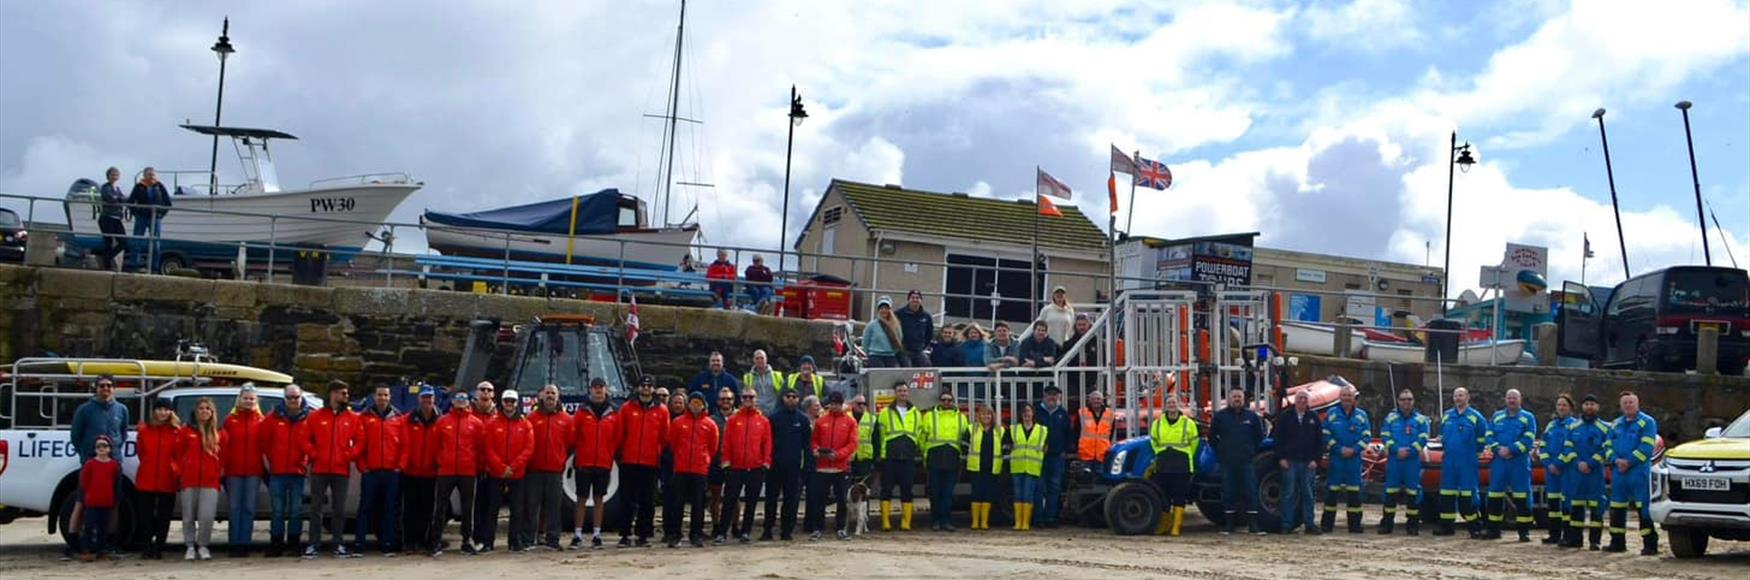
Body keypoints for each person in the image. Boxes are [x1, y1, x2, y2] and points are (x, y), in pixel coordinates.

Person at [66, 375, 128, 558]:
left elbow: (122, 433)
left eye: (109, 385)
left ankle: (108, 542)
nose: (106, 389)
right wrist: (87, 456)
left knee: (114, 502)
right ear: (96, 388)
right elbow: (75, 436)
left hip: (114, 463)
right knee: (81, 502)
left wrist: (113, 452)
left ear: (114, 388)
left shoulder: (122, 409)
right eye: (102, 386)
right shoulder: (84, 410)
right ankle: (74, 541)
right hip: (90, 463)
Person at [305, 381, 362, 559]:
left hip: (340, 469)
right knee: (315, 509)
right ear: (332, 394)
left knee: (339, 509)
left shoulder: (353, 418)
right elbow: (304, 439)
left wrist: (348, 455)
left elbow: (361, 441)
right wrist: (315, 454)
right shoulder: (315, 416)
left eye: (346, 393)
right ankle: (313, 543)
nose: (346, 396)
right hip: (319, 468)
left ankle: (338, 543)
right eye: (342, 393)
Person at [429, 392, 485, 557]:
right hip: (446, 471)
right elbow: (435, 445)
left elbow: (481, 449)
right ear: (453, 402)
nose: (460, 403)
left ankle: (467, 541)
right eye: (457, 400)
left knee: (468, 508)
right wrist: (441, 462)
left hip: (468, 472)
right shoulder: (442, 421)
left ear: (468, 402)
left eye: (463, 400)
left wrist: (477, 467)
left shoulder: (476, 423)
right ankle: (435, 542)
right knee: (440, 507)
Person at [479, 390, 534, 552]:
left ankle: (514, 542)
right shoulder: (492, 423)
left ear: (517, 403)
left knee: (517, 509)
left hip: (517, 474)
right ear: (501, 402)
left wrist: (514, 467)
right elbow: (488, 448)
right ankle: (488, 542)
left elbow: (529, 449)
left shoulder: (525, 424)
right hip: (497, 473)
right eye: (506, 401)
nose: (509, 404)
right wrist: (502, 468)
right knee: (492, 509)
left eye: (512, 401)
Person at [1605, 391, 1659, 555]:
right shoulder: (1615, 424)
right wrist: (1615, 460)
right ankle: (1617, 542)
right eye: (1625, 403)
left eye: (1631, 402)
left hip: (1638, 472)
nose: (1628, 405)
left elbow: (1647, 447)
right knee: (1616, 506)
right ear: (1621, 405)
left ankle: (1650, 544)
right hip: (1619, 473)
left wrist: (1629, 462)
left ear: (1637, 404)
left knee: (1643, 507)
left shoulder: (1647, 422)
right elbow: (1607, 446)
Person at [616, 376, 667, 548]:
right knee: (627, 500)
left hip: (650, 462)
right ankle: (624, 534)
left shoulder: (662, 410)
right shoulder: (626, 408)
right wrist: (622, 453)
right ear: (638, 388)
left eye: (649, 386)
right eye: (643, 385)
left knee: (648, 501)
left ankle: (643, 535)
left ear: (653, 389)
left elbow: (664, 436)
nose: (646, 388)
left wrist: (657, 452)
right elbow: (620, 433)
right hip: (629, 460)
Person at [664, 391, 719, 548]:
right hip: (681, 468)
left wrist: (704, 459)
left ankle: (696, 534)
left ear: (703, 405)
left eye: (698, 403)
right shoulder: (678, 422)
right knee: (677, 503)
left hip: (700, 469)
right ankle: (675, 534)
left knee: (698, 504)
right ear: (689, 404)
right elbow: (672, 443)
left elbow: (712, 447)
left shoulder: (710, 424)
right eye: (693, 402)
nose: (695, 405)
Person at [354, 384, 404, 557]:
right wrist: (363, 467)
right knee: (365, 508)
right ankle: (359, 544)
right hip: (371, 471)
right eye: (379, 395)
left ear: (390, 397)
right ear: (374, 397)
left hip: (392, 472)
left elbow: (405, 446)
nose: (382, 398)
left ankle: (388, 544)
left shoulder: (398, 418)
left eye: (385, 395)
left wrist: (400, 466)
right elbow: (358, 444)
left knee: (391, 509)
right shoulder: (363, 417)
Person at [262, 385, 311, 558]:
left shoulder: (309, 418)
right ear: (284, 398)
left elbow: (313, 443)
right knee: (277, 510)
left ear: (301, 397)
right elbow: (264, 442)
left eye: (296, 397)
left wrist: (306, 460)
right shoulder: (272, 418)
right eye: (289, 397)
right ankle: (276, 544)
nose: (293, 400)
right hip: (278, 471)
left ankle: (294, 543)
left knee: (296, 510)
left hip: (298, 471)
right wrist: (271, 461)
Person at [573, 378, 622, 550]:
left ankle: (597, 534)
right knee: (581, 498)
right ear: (590, 390)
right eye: (595, 388)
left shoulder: (614, 413)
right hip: (584, 462)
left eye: (601, 388)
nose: (598, 391)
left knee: (599, 498)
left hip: (603, 462)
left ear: (605, 390)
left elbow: (617, 437)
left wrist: (608, 454)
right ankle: (577, 534)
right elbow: (574, 435)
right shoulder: (581, 412)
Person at [717, 387, 771, 544]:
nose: (748, 399)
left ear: (756, 399)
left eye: (751, 397)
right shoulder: (733, 419)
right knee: (729, 501)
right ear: (741, 399)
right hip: (735, 467)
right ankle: (722, 532)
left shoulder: (763, 421)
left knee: (752, 502)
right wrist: (726, 463)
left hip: (755, 467)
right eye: (745, 396)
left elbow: (767, 443)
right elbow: (726, 443)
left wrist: (766, 463)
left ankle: (746, 531)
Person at [220, 384, 268, 557]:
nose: (248, 401)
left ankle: (245, 543)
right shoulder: (229, 420)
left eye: (252, 399)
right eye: (246, 398)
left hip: (254, 471)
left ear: (256, 401)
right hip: (233, 471)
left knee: (248, 508)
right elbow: (223, 446)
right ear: (239, 399)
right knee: (234, 508)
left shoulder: (262, 421)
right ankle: (234, 543)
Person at [1209, 388, 1265, 535]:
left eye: (1239, 396)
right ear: (1229, 399)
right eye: (1234, 396)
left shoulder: (1252, 417)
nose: (1237, 399)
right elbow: (1212, 437)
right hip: (1227, 462)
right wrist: (1221, 451)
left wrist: (1251, 451)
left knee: (1250, 491)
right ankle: (1229, 526)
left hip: (1247, 461)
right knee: (1229, 492)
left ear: (1243, 398)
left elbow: (1259, 436)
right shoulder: (1220, 417)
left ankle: (1253, 526)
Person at [1485, 389, 1537, 542]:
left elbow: (1528, 439)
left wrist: (1511, 450)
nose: (1512, 400)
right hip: (1499, 462)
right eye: (1509, 398)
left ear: (1520, 399)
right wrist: (1497, 449)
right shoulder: (1497, 416)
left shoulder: (1528, 418)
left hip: (1518, 462)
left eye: (1514, 398)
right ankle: (1493, 530)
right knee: (1495, 495)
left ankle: (1524, 532)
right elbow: (1489, 435)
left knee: (1522, 496)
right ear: (1505, 400)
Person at [1436, 387, 1488, 538]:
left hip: (1467, 461)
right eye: (1455, 396)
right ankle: (1446, 527)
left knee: (1467, 496)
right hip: (1449, 460)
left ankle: (1475, 527)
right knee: (1446, 494)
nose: (1458, 398)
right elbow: (1443, 434)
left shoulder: (1476, 417)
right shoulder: (1447, 415)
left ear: (1467, 397)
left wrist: (1475, 454)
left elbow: (1482, 438)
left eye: (1461, 395)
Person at [525, 385, 572, 551]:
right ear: (542, 396)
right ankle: (530, 539)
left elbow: (569, 443)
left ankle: (553, 539)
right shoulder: (531, 418)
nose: (550, 396)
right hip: (535, 469)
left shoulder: (566, 419)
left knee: (554, 507)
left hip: (554, 470)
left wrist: (560, 459)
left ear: (558, 397)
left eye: (553, 393)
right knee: (532, 506)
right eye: (547, 393)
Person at [1560, 394, 1609, 550]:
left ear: (1598, 407)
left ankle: (1595, 541)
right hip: (1577, 473)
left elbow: (1607, 448)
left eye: (1592, 404)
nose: (1589, 407)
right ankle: (1575, 539)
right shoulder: (1573, 427)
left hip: (1595, 473)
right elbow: (1568, 447)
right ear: (1582, 407)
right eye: (1586, 404)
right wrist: (1577, 462)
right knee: (1576, 506)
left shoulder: (1605, 428)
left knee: (1596, 507)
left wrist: (1591, 462)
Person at [135, 397, 181, 560]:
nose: (163, 412)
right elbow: (141, 453)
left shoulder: (176, 432)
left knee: (164, 516)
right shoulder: (144, 431)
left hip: (167, 479)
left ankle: (159, 547)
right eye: (160, 409)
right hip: (146, 478)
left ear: (171, 412)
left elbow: (179, 455)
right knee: (145, 516)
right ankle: (146, 546)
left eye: (166, 409)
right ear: (154, 411)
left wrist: (174, 469)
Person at [1320, 385, 1371, 534]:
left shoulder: (1362, 415)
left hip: (1354, 460)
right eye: (1344, 395)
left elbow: (1366, 436)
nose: (1346, 398)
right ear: (1340, 398)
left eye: (1349, 396)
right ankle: (1327, 525)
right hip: (1337, 458)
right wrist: (1338, 449)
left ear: (1354, 398)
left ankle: (1354, 526)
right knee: (1331, 493)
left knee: (1355, 494)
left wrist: (1354, 450)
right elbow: (1325, 434)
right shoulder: (1332, 414)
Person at [1378, 389, 1429, 536]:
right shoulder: (1390, 418)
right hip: (1395, 460)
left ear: (1413, 401)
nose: (1406, 402)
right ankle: (1387, 524)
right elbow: (1385, 436)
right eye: (1403, 399)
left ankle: (1412, 525)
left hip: (1412, 462)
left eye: (1409, 399)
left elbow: (1423, 439)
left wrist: (1409, 451)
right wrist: (1395, 450)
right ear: (1398, 401)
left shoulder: (1421, 420)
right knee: (1390, 492)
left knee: (1413, 493)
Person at [809, 391, 859, 541]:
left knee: (842, 499)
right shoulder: (821, 421)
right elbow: (814, 440)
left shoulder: (850, 422)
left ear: (842, 404)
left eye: (838, 403)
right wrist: (816, 450)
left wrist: (838, 455)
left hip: (840, 466)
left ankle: (840, 528)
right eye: (833, 403)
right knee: (819, 500)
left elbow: (852, 444)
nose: (835, 406)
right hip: (823, 466)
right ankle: (817, 528)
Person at [179, 397, 224, 561]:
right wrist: (181, 471)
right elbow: (178, 453)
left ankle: (203, 545)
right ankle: (189, 545)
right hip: (189, 480)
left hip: (210, 481)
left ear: (212, 412)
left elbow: (224, 457)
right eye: (201, 408)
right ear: (196, 411)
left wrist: (219, 473)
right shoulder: (186, 431)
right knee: (188, 516)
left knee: (206, 516)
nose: (205, 411)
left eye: (208, 409)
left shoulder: (219, 433)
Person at [764, 389, 812, 541]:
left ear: (798, 399)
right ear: (783, 398)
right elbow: (767, 443)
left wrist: (807, 466)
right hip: (775, 467)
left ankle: (786, 531)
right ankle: (767, 530)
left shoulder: (803, 420)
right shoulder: (773, 418)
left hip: (795, 468)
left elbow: (807, 446)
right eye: (788, 397)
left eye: (794, 397)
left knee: (791, 501)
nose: (791, 399)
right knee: (771, 499)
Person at [399, 386, 442, 556]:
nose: (427, 401)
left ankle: (425, 542)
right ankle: (410, 542)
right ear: (419, 399)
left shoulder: (441, 421)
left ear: (434, 399)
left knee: (427, 510)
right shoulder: (408, 419)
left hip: (431, 473)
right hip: (411, 472)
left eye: (430, 398)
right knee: (410, 510)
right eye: (424, 397)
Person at [1150, 396, 1199, 536]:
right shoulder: (1157, 423)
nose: (1171, 405)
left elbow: (1194, 442)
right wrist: (1160, 452)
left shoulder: (1188, 423)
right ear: (1165, 406)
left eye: (1174, 403)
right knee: (1163, 495)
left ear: (1179, 405)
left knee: (1179, 495)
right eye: (1169, 403)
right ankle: (1164, 524)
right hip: (1163, 462)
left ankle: (1176, 526)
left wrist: (1186, 453)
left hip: (1182, 463)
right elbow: (1153, 441)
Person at [1273, 391, 1321, 535]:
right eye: (1300, 398)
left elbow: (1319, 440)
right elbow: (1278, 438)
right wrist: (1281, 458)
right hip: (1290, 462)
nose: (1302, 401)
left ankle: (1309, 524)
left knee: (1309, 494)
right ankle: (1287, 524)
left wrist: (1315, 459)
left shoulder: (1313, 418)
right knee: (1289, 493)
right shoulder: (1285, 417)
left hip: (1308, 463)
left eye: (1305, 398)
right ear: (1295, 400)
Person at [922, 389, 969, 532]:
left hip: (952, 457)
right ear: (939, 401)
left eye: (949, 400)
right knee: (935, 492)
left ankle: (946, 521)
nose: (946, 402)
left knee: (948, 493)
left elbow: (965, 438)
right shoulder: (929, 416)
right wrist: (925, 454)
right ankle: (935, 521)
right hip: (934, 456)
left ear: (953, 402)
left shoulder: (961, 418)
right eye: (943, 400)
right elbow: (922, 437)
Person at [878, 383, 921, 531]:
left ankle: (906, 522)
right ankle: (885, 521)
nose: (902, 393)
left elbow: (919, 434)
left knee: (907, 490)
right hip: (890, 456)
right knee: (886, 490)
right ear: (895, 393)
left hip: (908, 457)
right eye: (899, 391)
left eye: (904, 390)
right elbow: (880, 435)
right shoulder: (885, 412)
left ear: (908, 393)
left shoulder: (916, 413)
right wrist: (881, 455)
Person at [1540, 394, 1577, 545]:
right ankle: (1554, 534)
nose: (1561, 408)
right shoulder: (1551, 425)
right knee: (1553, 504)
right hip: (1551, 471)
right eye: (1559, 405)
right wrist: (1548, 463)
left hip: (1567, 470)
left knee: (1567, 503)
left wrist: (1558, 464)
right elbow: (1543, 446)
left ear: (1570, 408)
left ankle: (1567, 535)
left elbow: (1572, 449)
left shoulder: (1575, 425)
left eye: (1564, 405)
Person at [77, 435, 121, 562]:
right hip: (92, 501)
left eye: (105, 445)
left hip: (106, 501)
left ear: (110, 449)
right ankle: (87, 550)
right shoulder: (90, 464)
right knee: (89, 527)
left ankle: (101, 549)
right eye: (98, 446)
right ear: (95, 449)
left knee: (103, 527)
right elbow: (84, 482)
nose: (101, 448)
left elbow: (114, 481)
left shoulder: (113, 465)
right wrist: (87, 496)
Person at [1034, 386, 1071, 528]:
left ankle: (1050, 518)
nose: (1052, 398)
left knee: (1054, 488)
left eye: (1054, 395)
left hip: (1057, 456)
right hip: (1038, 456)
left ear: (1059, 397)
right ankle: (1038, 518)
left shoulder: (1063, 413)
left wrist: (1065, 450)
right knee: (1039, 487)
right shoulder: (1037, 411)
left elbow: (1068, 433)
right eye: (1049, 395)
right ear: (1044, 396)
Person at [1009, 404, 1047, 532]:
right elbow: (1006, 445)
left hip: (1032, 466)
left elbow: (1046, 447)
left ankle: (1025, 523)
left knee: (1028, 495)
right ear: (1021, 415)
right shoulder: (1013, 429)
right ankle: (1018, 522)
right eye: (1024, 412)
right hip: (1017, 467)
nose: (1026, 414)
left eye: (1029, 411)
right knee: (1018, 495)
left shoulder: (1042, 430)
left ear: (1033, 413)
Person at [126, 167, 172, 273]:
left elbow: (168, 203)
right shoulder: (139, 187)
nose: (151, 176)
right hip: (141, 217)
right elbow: (130, 202)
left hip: (155, 218)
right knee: (137, 241)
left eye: (153, 174)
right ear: (144, 176)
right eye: (149, 174)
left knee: (155, 243)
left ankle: (154, 267)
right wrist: (136, 213)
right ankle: (134, 266)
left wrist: (160, 214)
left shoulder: (159, 186)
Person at [966, 404, 1004, 532]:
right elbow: (964, 445)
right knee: (976, 494)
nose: (986, 416)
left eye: (988, 414)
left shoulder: (1000, 430)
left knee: (988, 494)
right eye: (983, 414)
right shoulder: (971, 429)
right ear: (979, 416)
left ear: (992, 416)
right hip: (976, 467)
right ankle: (975, 522)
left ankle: (984, 522)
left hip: (992, 468)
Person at [707, 387, 734, 542]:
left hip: (734, 464)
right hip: (716, 462)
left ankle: (735, 526)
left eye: (728, 399)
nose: (726, 401)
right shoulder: (712, 419)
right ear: (718, 401)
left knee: (733, 497)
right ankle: (716, 526)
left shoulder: (738, 417)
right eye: (723, 399)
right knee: (715, 497)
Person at [96, 167, 128, 270]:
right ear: (108, 176)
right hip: (107, 217)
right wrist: (118, 198)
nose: (114, 176)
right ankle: (107, 265)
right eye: (112, 175)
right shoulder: (105, 187)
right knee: (108, 242)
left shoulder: (117, 188)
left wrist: (118, 198)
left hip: (116, 218)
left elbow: (122, 199)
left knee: (123, 241)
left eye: (116, 175)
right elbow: (110, 198)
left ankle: (108, 257)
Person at [1074, 390, 1114, 466]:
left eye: (1098, 399)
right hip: (1085, 454)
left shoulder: (1110, 414)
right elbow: (1076, 431)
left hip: (1103, 454)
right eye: (1094, 399)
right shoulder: (1082, 413)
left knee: (1102, 477)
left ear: (1102, 401)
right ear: (1089, 401)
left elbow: (1111, 433)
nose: (1096, 401)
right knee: (1086, 477)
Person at [862, 296, 904, 368]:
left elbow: (900, 338)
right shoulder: (871, 325)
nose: (884, 310)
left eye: (886, 308)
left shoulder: (896, 325)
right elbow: (865, 342)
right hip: (875, 356)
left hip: (890, 355)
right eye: (881, 308)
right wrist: (869, 353)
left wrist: (893, 352)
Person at [1061, 314, 1098, 391]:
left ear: (1089, 325)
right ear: (1075, 326)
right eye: (1079, 325)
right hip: (1072, 384)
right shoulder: (1068, 344)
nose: (1081, 327)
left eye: (1084, 324)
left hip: (1092, 383)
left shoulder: (1099, 343)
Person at [896, 290, 933, 366]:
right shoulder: (899, 314)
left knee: (927, 366)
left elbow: (929, 333)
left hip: (918, 351)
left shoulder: (926, 316)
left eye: (917, 298)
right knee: (907, 370)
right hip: (904, 351)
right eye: (912, 298)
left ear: (921, 300)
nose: (915, 300)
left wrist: (923, 346)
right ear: (908, 300)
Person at [850, 394, 880, 487]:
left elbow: (876, 440)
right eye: (859, 403)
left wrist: (875, 459)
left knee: (864, 489)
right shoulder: (846, 417)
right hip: (849, 459)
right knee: (848, 488)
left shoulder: (872, 419)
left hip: (865, 460)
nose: (862, 406)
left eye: (864, 403)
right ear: (853, 404)